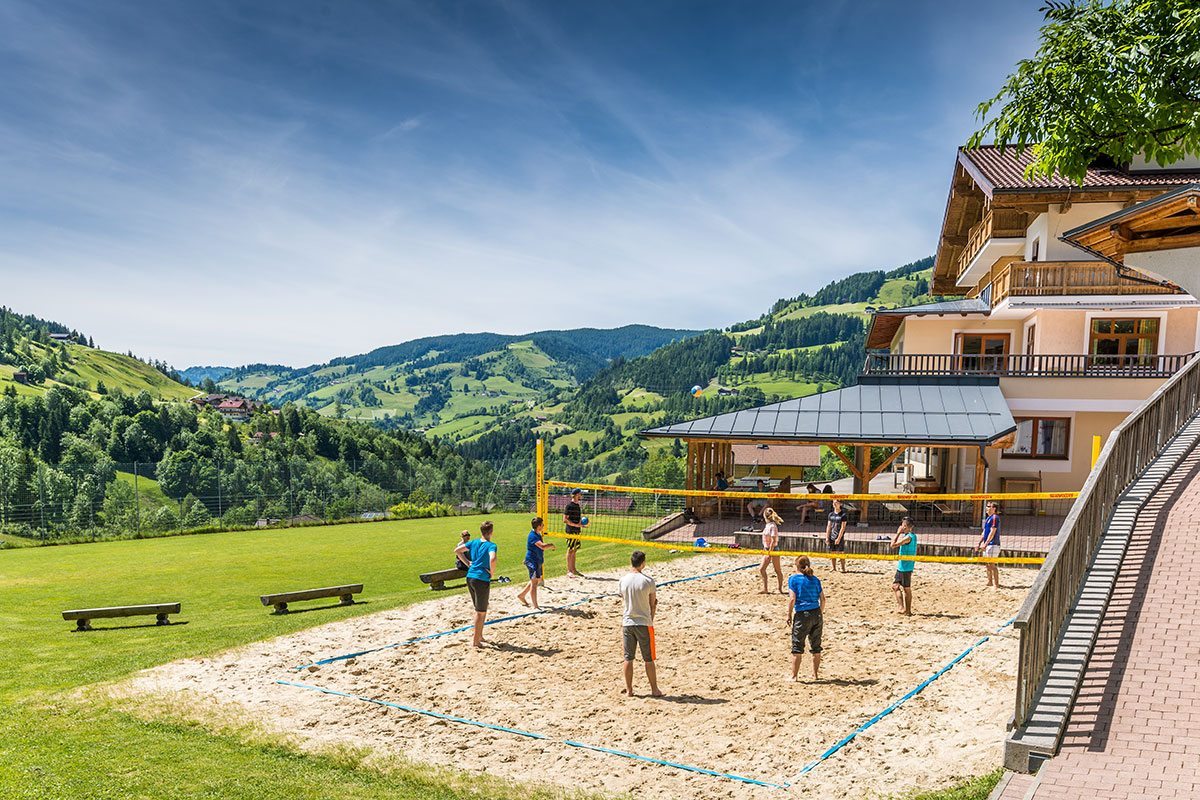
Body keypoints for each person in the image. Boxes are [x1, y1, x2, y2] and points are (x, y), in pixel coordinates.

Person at [619, 550, 662, 697]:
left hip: (627, 623)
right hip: (643, 623)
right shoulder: (648, 581)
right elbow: (653, 604)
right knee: (648, 659)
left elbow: (624, 599)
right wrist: (651, 619)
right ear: (643, 563)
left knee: (628, 658)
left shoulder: (623, 580)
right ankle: (654, 690)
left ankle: (629, 690)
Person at [455, 521, 498, 648]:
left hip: (470, 578)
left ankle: (480, 636)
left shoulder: (473, 542)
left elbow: (457, 550)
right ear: (491, 532)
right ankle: (475, 641)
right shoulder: (491, 545)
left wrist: (468, 563)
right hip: (481, 579)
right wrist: (492, 573)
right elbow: (493, 558)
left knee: (480, 610)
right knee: (480, 612)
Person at [786, 555, 825, 681]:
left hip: (803, 615)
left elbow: (792, 599)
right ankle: (815, 675)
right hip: (817, 613)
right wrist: (820, 612)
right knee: (816, 646)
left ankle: (794, 676)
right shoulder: (815, 579)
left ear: (796, 565)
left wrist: (789, 615)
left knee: (797, 647)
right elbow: (823, 599)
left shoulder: (793, 579)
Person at [517, 516, 555, 609]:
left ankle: (521, 595)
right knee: (534, 583)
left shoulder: (538, 534)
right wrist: (551, 545)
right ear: (539, 526)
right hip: (532, 561)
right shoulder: (532, 536)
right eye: (542, 524)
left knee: (536, 580)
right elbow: (542, 546)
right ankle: (535, 606)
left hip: (537, 561)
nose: (543, 526)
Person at [890, 516, 918, 616]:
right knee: (895, 586)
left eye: (904, 526)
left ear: (909, 527)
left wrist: (897, 533)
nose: (902, 527)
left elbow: (892, 545)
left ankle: (908, 611)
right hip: (901, 566)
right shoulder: (909, 536)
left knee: (906, 589)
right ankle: (902, 608)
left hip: (906, 567)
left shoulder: (908, 537)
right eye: (902, 525)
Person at [563, 488, 588, 578]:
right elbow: (565, 520)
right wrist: (575, 525)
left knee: (574, 550)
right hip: (570, 531)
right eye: (580, 494)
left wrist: (581, 524)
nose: (581, 496)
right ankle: (569, 571)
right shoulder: (569, 506)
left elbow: (577, 520)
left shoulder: (578, 505)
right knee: (570, 550)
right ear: (577, 495)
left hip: (577, 531)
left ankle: (573, 569)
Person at [759, 508, 785, 594]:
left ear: (764, 516)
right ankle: (765, 589)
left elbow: (773, 541)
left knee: (777, 570)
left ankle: (780, 589)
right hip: (767, 549)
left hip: (773, 549)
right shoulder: (768, 525)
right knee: (762, 569)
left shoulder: (773, 526)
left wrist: (770, 552)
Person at [976, 501, 1002, 588]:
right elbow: (984, 533)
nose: (986, 508)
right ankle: (990, 582)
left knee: (992, 564)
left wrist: (986, 543)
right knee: (987, 564)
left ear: (994, 508)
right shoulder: (988, 518)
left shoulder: (995, 517)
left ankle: (996, 584)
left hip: (993, 544)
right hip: (987, 545)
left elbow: (993, 531)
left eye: (989, 506)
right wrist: (979, 543)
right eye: (987, 506)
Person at [826, 498, 849, 572]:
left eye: (836, 502)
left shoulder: (843, 515)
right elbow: (828, 526)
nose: (835, 504)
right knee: (832, 552)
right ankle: (834, 568)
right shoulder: (831, 514)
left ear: (840, 504)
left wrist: (839, 538)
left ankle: (843, 568)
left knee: (841, 552)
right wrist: (827, 537)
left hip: (839, 536)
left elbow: (843, 528)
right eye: (834, 502)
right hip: (831, 536)